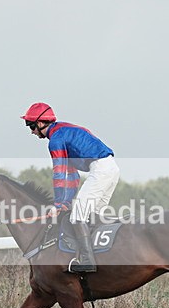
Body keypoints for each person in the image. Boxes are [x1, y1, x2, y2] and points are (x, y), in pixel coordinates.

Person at [21, 102, 119, 273]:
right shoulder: (63, 132)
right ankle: (102, 257)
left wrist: (59, 204)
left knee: (77, 217)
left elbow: (59, 174)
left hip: (100, 169)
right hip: (110, 169)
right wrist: (65, 201)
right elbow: (72, 176)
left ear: (41, 123)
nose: (31, 131)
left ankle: (87, 261)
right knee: (92, 217)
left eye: (31, 125)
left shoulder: (56, 140)